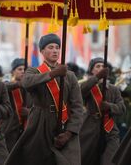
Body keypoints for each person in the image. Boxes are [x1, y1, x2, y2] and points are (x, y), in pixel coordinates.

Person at [5, 33, 84, 165]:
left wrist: (69, 133)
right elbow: (26, 82)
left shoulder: (69, 76)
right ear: (42, 51)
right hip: (40, 122)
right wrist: (52, 74)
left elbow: (77, 106)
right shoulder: (34, 71)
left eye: (57, 47)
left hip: (65, 124)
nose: (55, 50)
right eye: (50, 47)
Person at [79, 57, 125, 165]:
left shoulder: (113, 89)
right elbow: (81, 92)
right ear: (92, 70)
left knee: (110, 160)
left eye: (103, 66)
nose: (101, 68)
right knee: (86, 159)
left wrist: (110, 107)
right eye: (97, 66)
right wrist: (97, 77)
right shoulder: (88, 86)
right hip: (90, 127)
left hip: (109, 129)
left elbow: (122, 108)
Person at [4, 58, 31, 151]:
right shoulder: (9, 85)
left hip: (27, 128)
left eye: (25, 69)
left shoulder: (32, 87)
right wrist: (18, 84)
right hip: (11, 129)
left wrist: (29, 112)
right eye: (19, 69)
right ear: (13, 72)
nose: (23, 72)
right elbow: (5, 87)